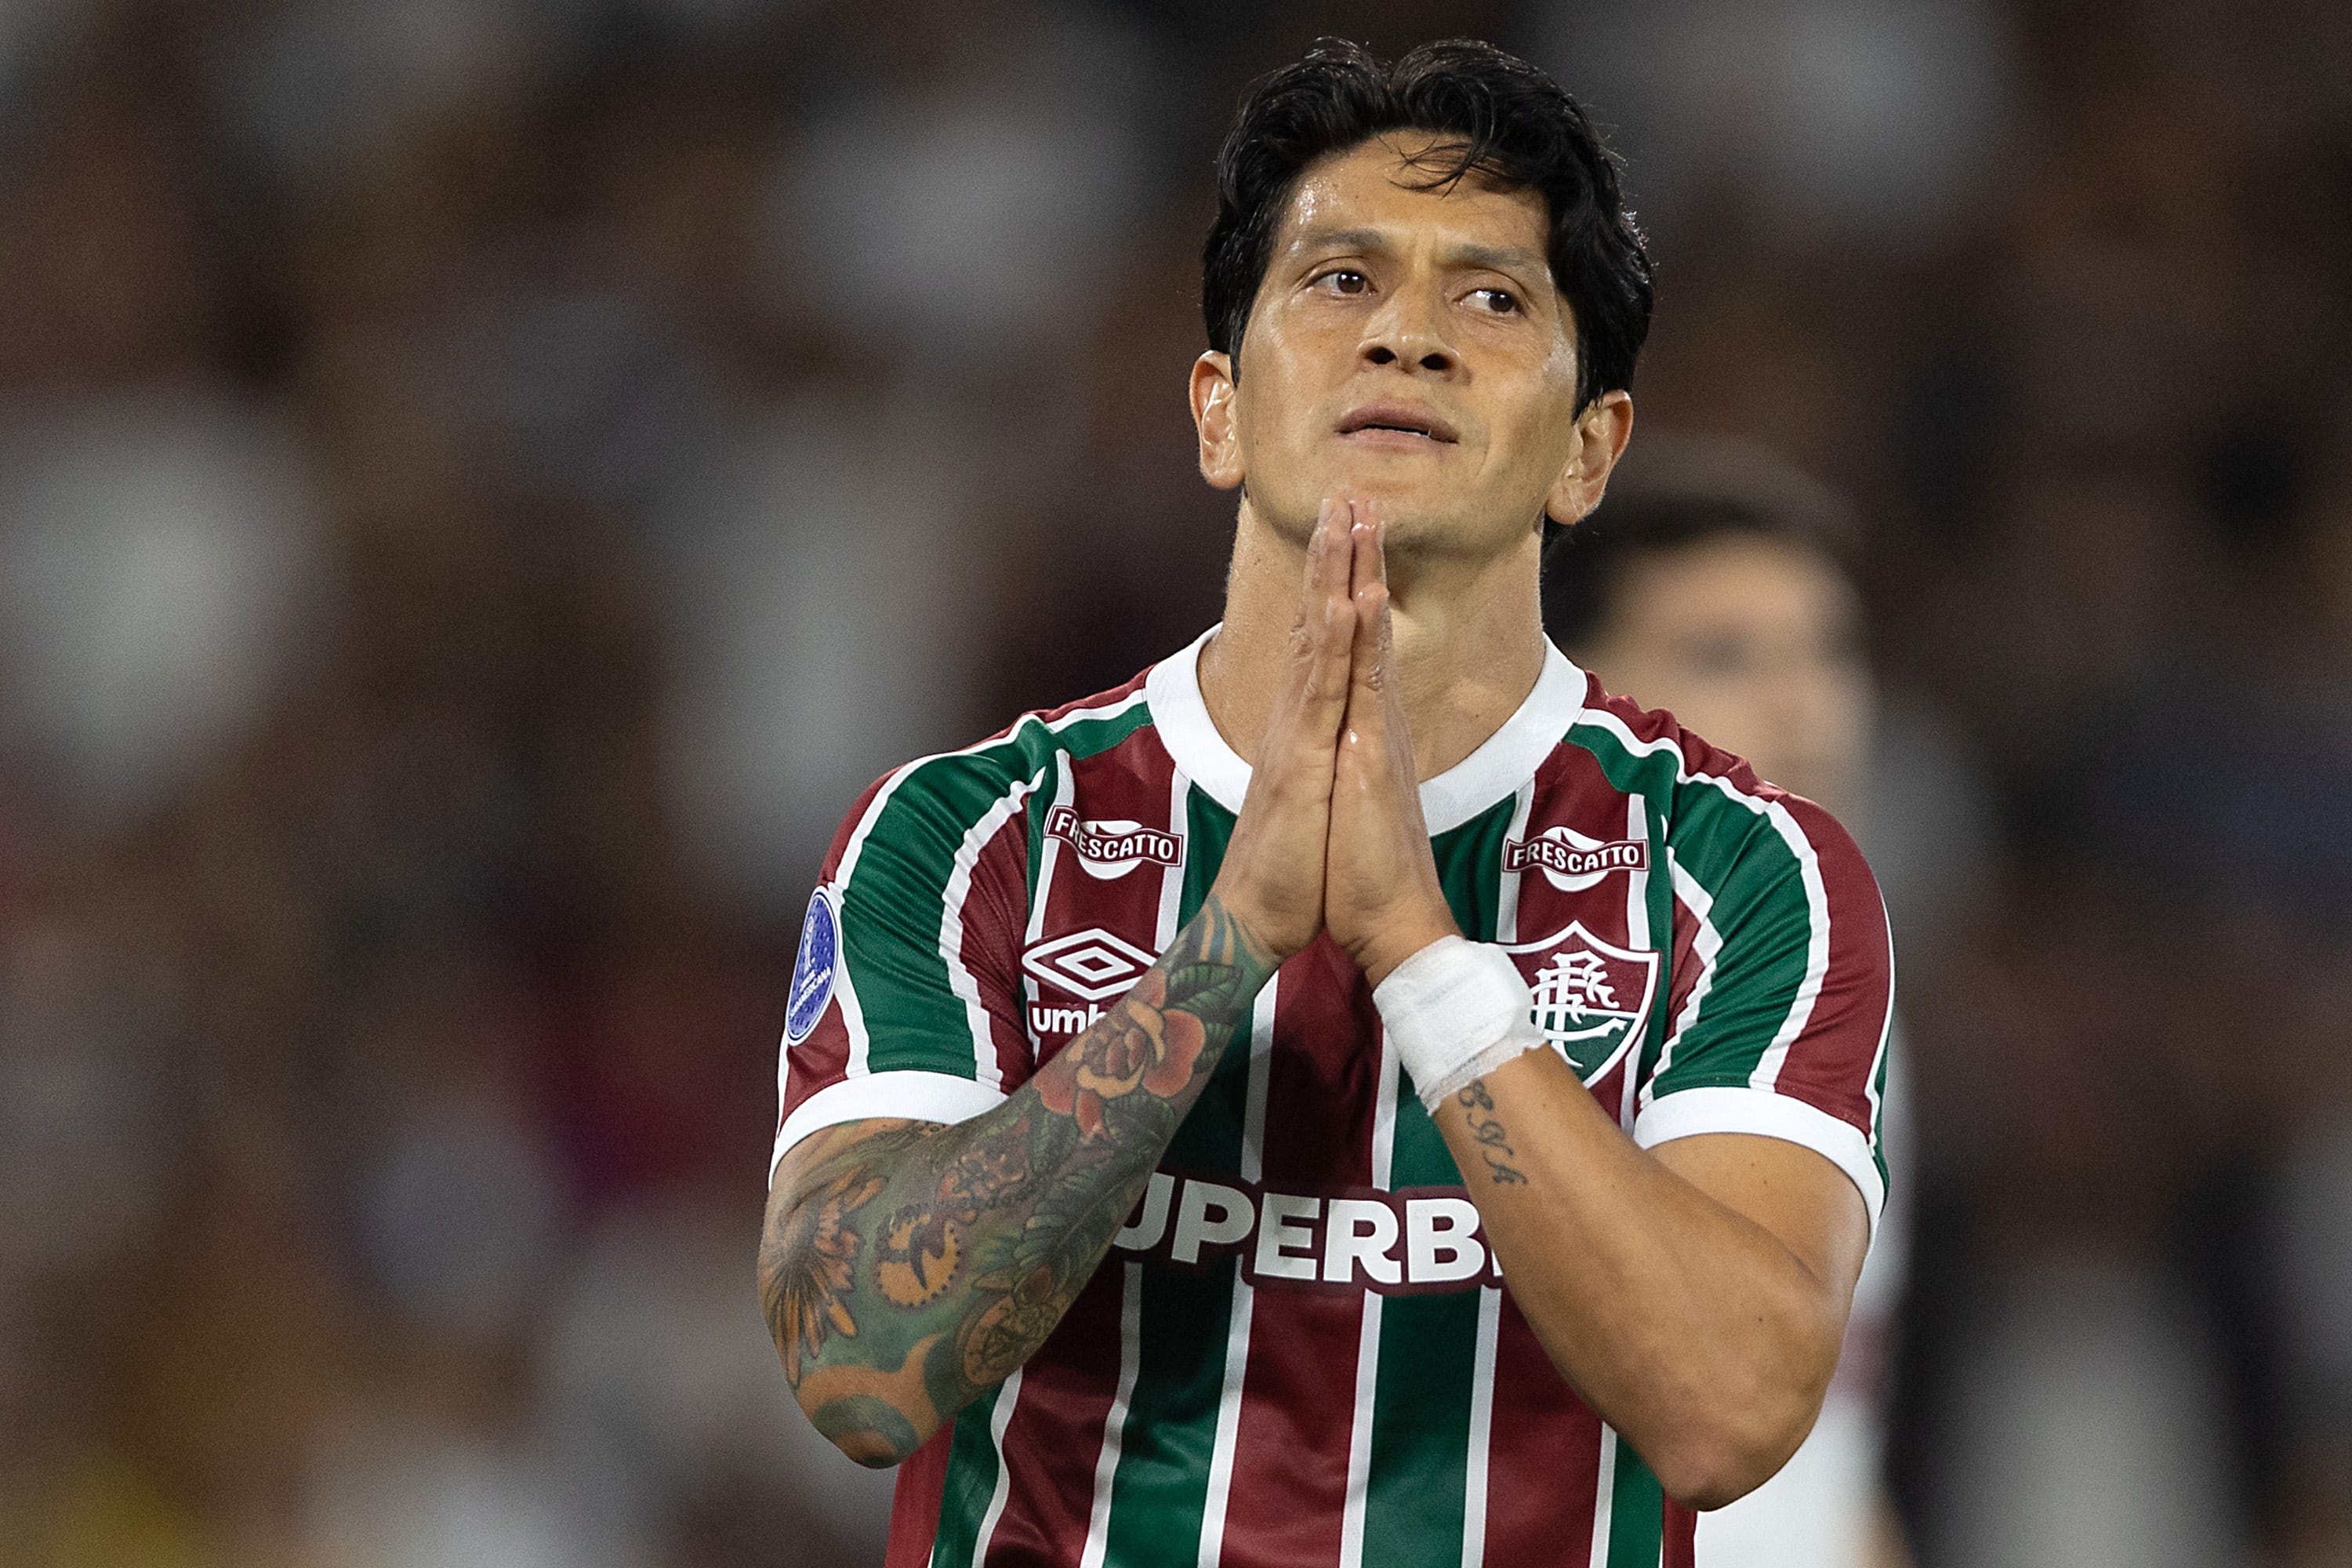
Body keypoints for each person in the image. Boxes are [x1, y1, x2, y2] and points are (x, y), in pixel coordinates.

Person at [759, 39, 1893, 1567]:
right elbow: (852, 1366)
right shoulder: (967, 837)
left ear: (1589, 452)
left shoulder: (1747, 874)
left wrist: (1421, 956)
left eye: (1491, 299)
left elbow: (1729, 1409)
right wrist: (1228, 942)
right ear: (1217, 411)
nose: (1409, 336)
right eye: (1340, 280)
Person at [1543, 441, 1913, 1568]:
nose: (1803, 703)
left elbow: (1832, 1417)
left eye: (1829, 652)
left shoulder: (1830, 970)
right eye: (1724, 655)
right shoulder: (1509, 1000)